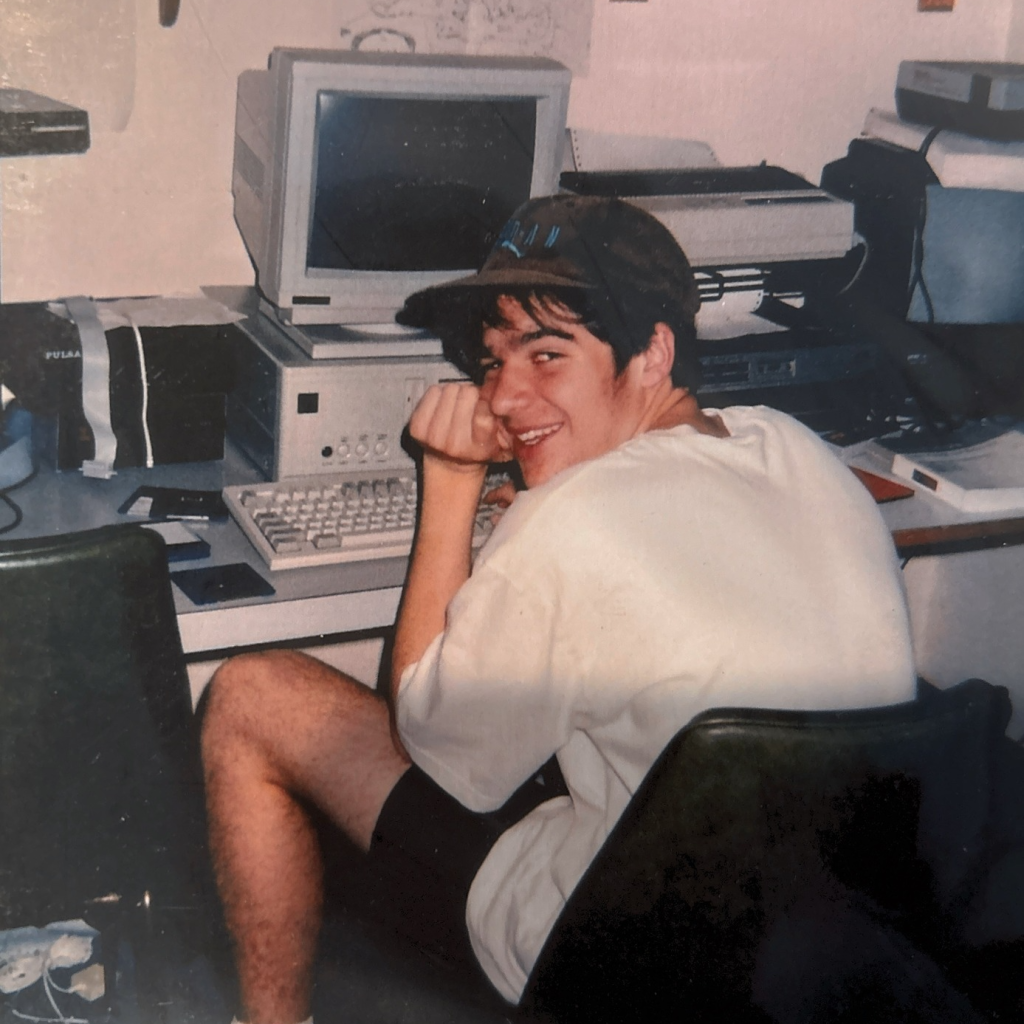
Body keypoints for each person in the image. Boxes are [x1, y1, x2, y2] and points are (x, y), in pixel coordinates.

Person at [200, 194, 917, 1024]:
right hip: (826, 948)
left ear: (652, 353)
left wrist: (453, 482)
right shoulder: (797, 447)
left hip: (623, 960)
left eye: (547, 355)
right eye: (492, 361)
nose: (504, 397)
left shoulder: (569, 521)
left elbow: (433, 750)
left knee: (250, 698)